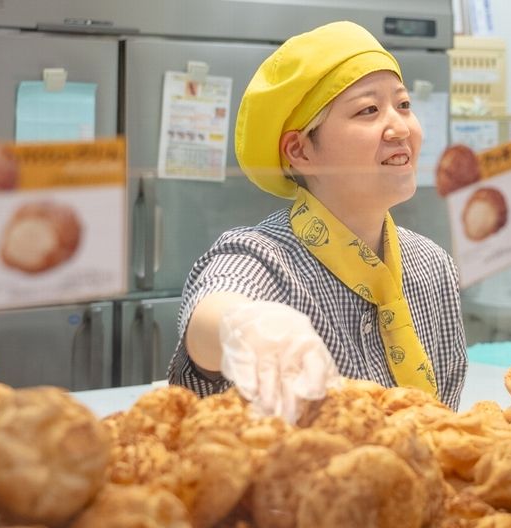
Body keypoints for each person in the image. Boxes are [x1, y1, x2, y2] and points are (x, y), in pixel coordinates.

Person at [168, 20, 467, 410]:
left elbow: (446, 421)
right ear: (300, 151)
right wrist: (244, 326)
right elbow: (212, 311)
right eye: (369, 110)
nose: (399, 127)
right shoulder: (263, 259)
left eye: (404, 105)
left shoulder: (434, 266)